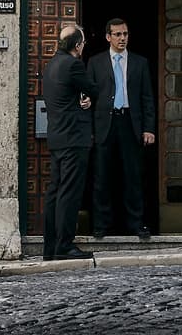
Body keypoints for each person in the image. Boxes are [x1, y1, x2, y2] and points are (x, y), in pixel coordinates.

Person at [90, 17, 156, 241]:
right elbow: (89, 96)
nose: (122, 38)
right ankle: (101, 225)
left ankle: (137, 224)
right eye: (117, 34)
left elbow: (147, 98)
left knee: (133, 176)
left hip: (130, 122)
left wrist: (149, 128)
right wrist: (90, 129)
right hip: (105, 124)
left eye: (125, 34)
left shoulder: (140, 63)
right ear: (108, 37)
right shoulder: (95, 63)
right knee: (102, 176)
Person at [41, 23, 96, 261]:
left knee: (55, 191)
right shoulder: (73, 64)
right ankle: (64, 246)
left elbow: (67, 95)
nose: (83, 47)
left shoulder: (51, 65)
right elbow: (93, 87)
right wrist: (88, 98)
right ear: (77, 45)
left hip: (57, 137)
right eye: (83, 43)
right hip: (74, 138)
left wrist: (80, 99)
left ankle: (51, 247)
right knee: (69, 193)